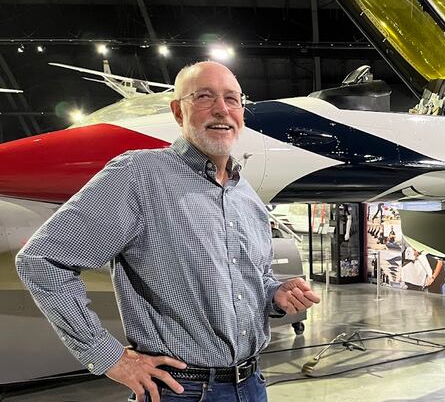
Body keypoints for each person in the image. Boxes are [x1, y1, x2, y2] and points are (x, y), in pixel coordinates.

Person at [16, 61, 320, 402]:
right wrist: (107, 356)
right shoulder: (138, 175)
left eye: (232, 99)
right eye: (204, 96)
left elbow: (251, 277)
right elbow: (41, 260)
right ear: (178, 111)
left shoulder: (245, 194)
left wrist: (275, 294)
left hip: (251, 384)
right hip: (180, 390)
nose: (222, 109)